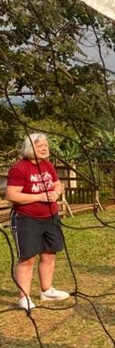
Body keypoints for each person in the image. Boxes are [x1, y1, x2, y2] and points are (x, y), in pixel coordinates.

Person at [6, 133, 70, 311]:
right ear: (29, 148)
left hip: (50, 217)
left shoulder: (48, 165)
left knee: (49, 254)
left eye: (46, 145)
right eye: (40, 145)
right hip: (26, 218)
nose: (45, 148)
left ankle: (47, 290)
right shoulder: (19, 168)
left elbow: (58, 184)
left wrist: (56, 192)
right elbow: (11, 195)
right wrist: (40, 196)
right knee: (27, 258)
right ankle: (24, 297)